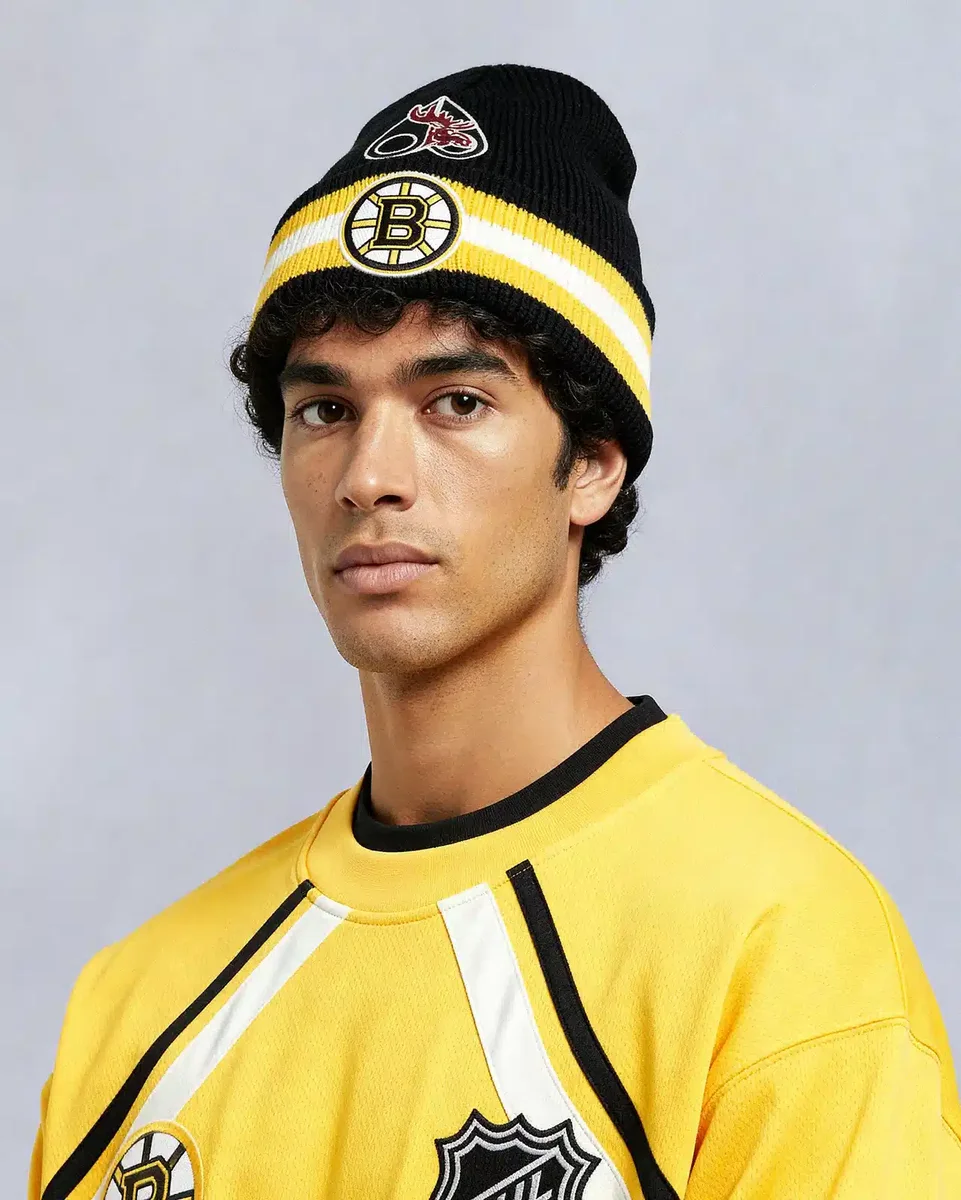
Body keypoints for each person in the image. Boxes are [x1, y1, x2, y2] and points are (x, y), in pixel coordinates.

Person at [30, 64, 960, 1200]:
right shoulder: (137, 1004)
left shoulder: (781, 953)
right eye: (325, 409)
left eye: (455, 402)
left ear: (594, 466)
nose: (369, 476)